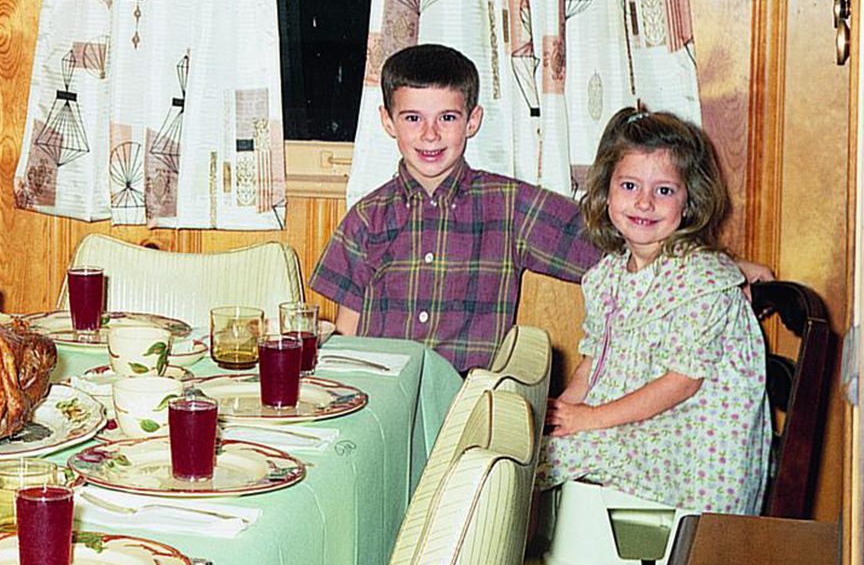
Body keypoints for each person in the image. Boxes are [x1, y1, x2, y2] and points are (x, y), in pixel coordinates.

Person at [310, 44, 599, 374]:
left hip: (469, 397)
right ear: (388, 121)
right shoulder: (366, 217)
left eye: (447, 118)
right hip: (386, 392)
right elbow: (348, 334)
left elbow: (614, 251)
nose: (430, 135)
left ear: (472, 121)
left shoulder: (510, 206)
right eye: (413, 118)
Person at [538, 106, 770, 514]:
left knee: (539, 463)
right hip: (637, 423)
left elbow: (682, 383)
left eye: (663, 191)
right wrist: (564, 412)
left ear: (689, 200)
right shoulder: (607, 276)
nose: (644, 202)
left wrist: (589, 419)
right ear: (606, 191)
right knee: (532, 453)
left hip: (687, 446)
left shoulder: (700, 281)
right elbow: (594, 363)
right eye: (629, 185)